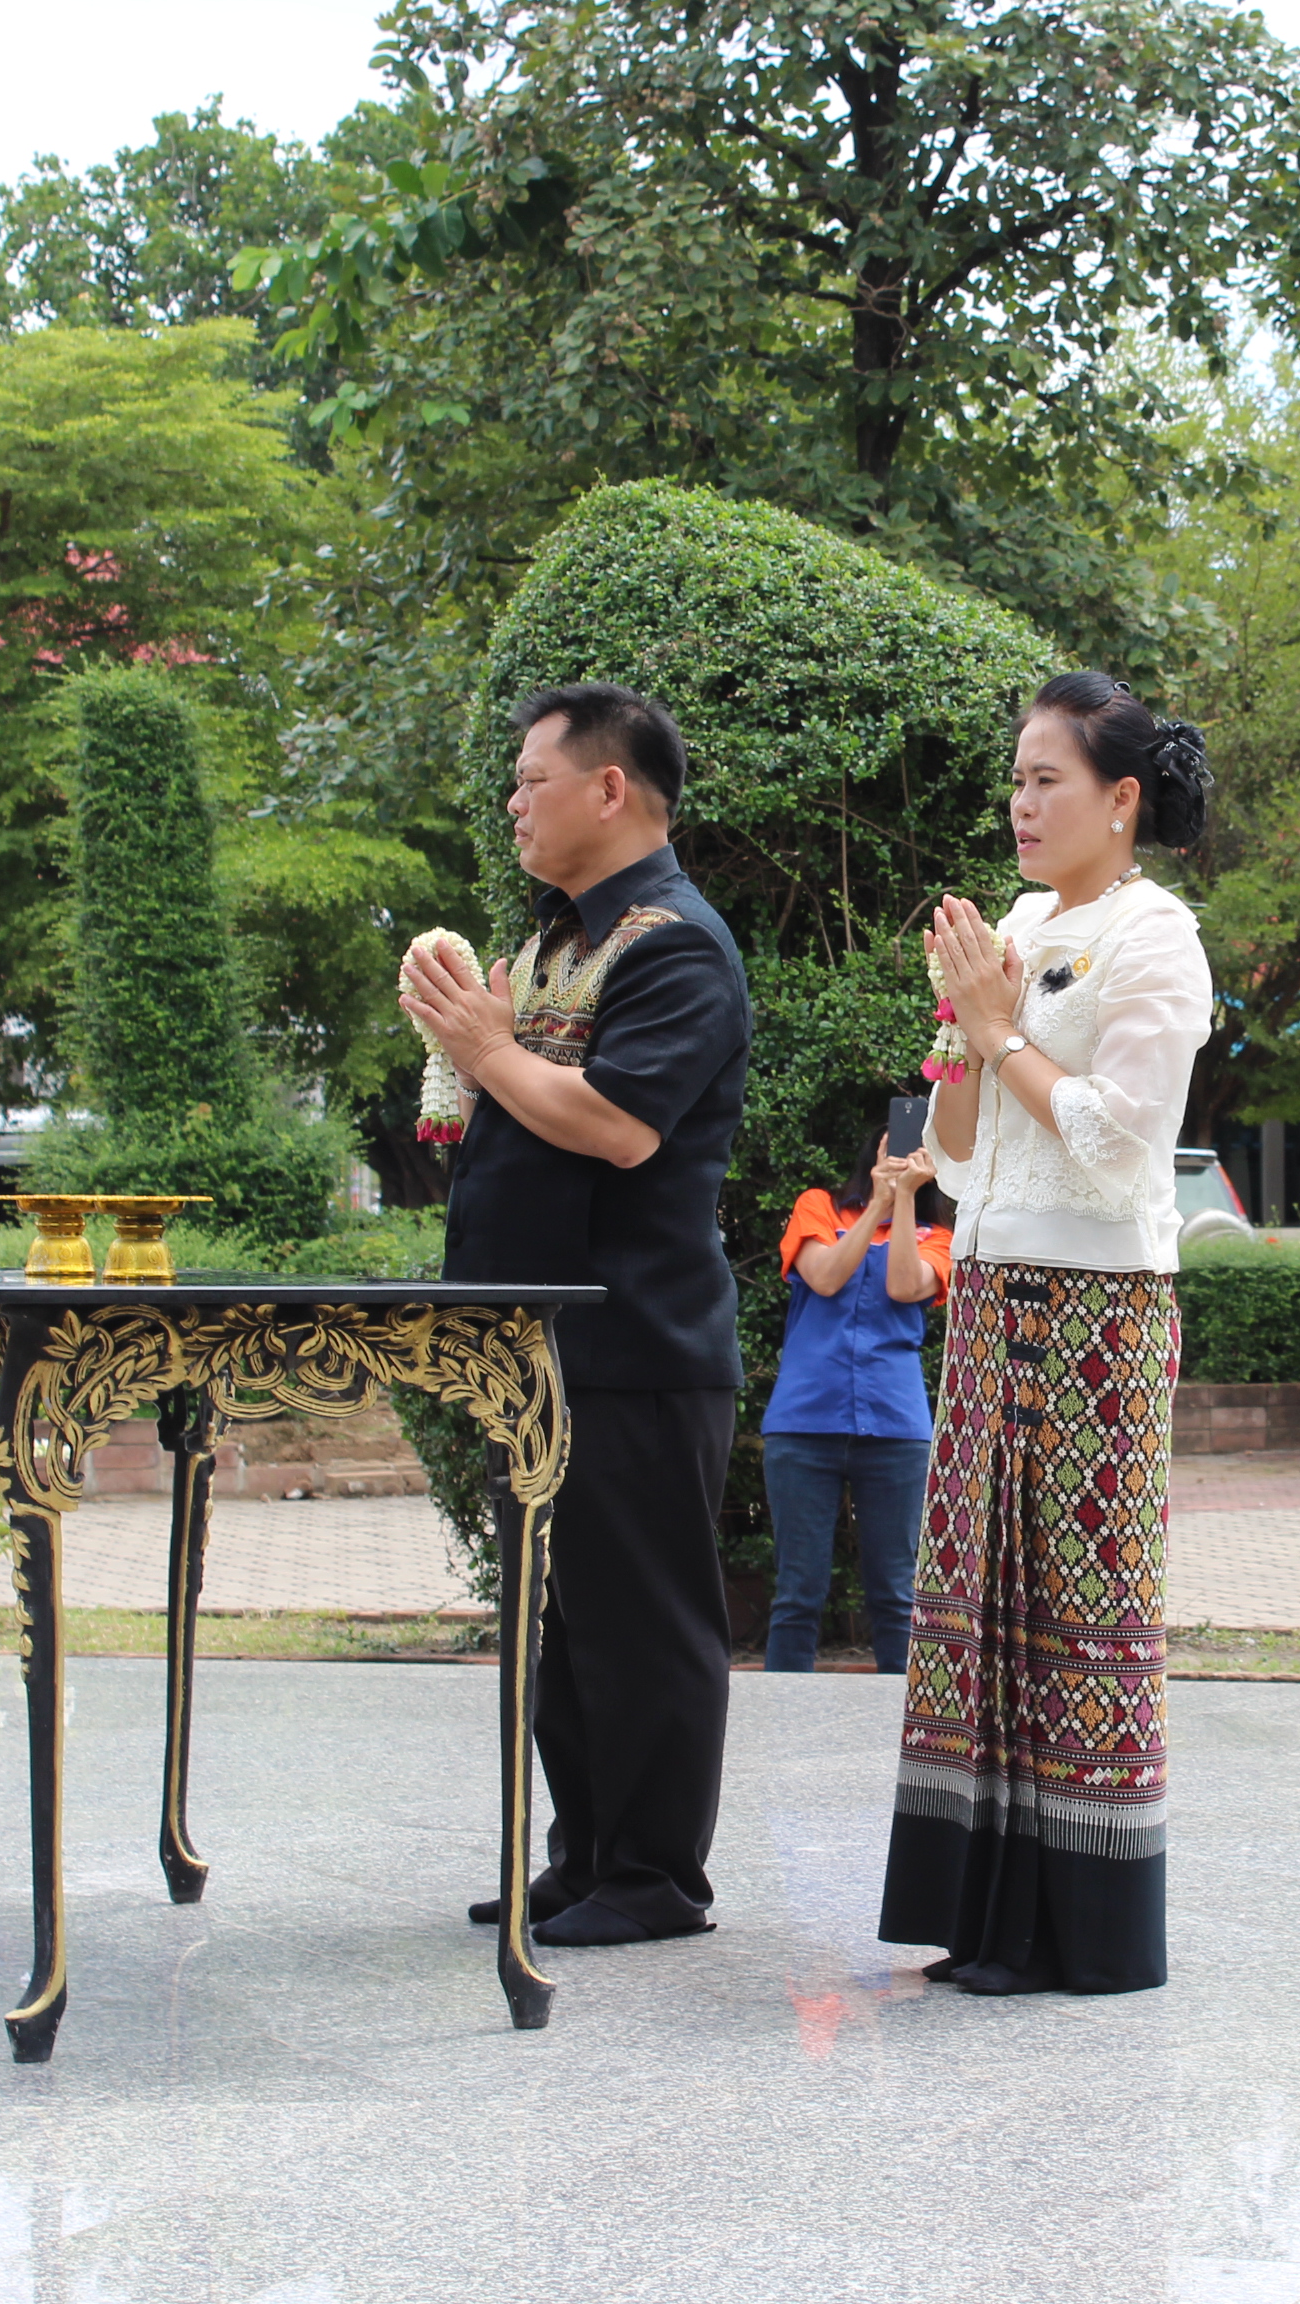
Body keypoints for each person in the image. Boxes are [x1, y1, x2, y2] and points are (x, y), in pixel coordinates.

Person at [400, 681, 751, 1949]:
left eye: (531, 780)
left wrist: (489, 1050)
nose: (514, 803)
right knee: (556, 1618)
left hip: (635, 1338)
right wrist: (466, 1036)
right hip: (532, 1343)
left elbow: (616, 1125)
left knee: (643, 1621)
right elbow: (502, 1109)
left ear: (611, 788)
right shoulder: (550, 943)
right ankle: (586, 1853)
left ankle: (657, 1877)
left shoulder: (678, 945)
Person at [878, 672, 1214, 1996]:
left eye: (1048, 781)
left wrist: (998, 1027)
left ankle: (1084, 1928)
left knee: (1078, 1608)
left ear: (1120, 801)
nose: (1021, 805)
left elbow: (1121, 1139)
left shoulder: (1155, 936)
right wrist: (965, 1045)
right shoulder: (1016, 924)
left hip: (1098, 1308)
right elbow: (960, 1160)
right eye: (1014, 781)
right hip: (994, 1290)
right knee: (975, 1606)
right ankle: (988, 1913)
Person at [762, 1129, 953, 1673]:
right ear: (870, 1151)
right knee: (797, 1592)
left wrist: (907, 1199)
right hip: (804, 1421)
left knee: (897, 1592)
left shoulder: (937, 1235)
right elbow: (822, 1278)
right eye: (892, 1143)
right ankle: (784, 1718)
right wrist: (877, 1206)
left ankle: (902, 1730)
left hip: (895, 1427)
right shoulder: (817, 1207)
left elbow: (902, 1286)